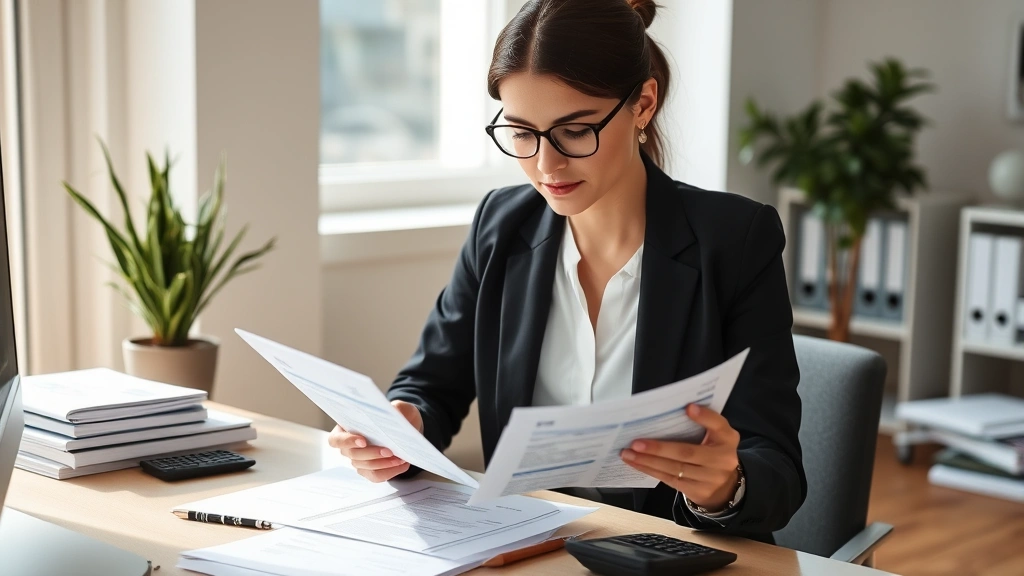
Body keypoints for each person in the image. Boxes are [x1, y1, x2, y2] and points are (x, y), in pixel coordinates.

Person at [328, 0, 805, 544]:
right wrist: (401, 428)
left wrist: (726, 486)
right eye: (522, 132)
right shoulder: (499, 225)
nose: (546, 166)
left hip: (671, 554)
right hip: (531, 546)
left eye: (575, 132)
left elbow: (778, 468)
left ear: (643, 104)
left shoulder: (735, 240)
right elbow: (431, 385)